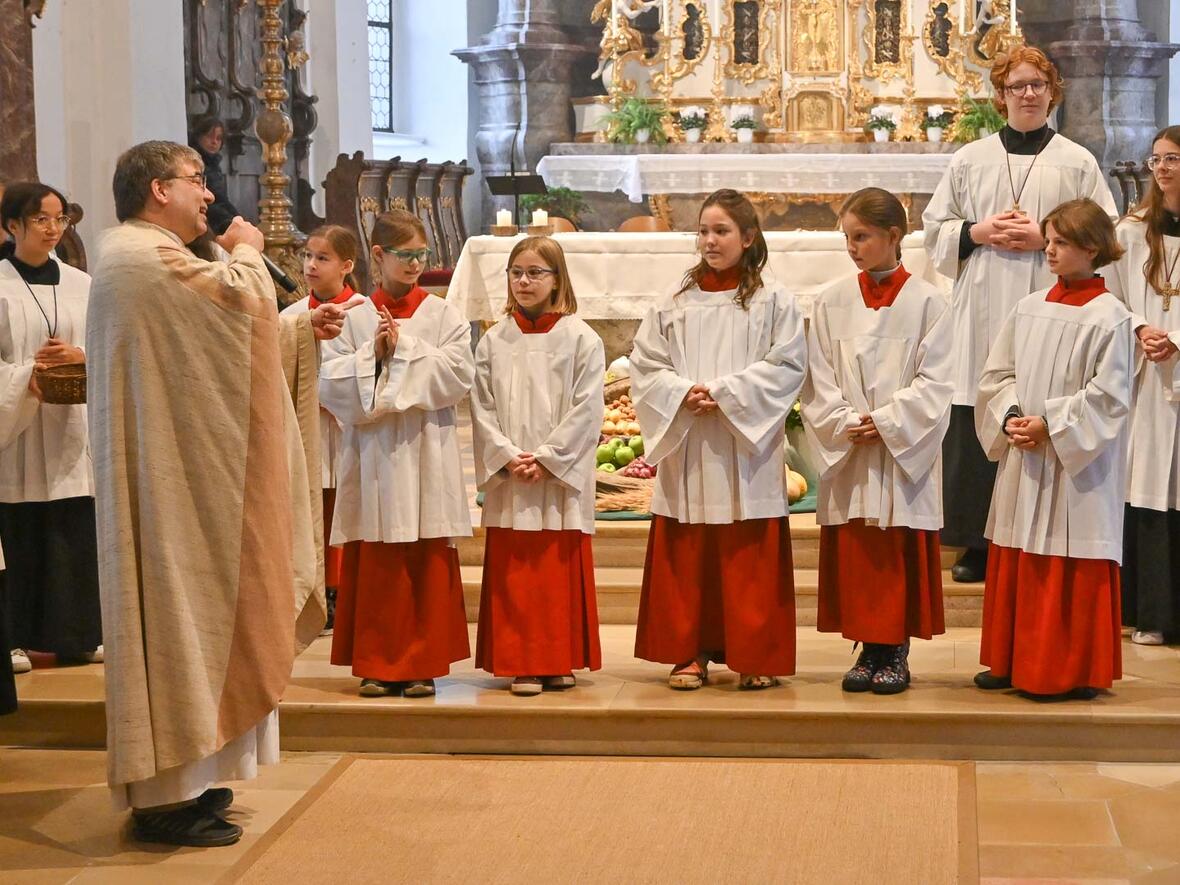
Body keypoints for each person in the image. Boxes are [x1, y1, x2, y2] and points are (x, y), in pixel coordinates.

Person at [88, 140, 347, 847]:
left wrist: (297, 327)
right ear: (156, 188)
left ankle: (192, 779)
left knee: (198, 619)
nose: (208, 195)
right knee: (179, 620)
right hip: (172, 496)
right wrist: (251, 250)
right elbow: (237, 304)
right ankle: (164, 794)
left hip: (186, 480)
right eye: (196, 180)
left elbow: (220, 338)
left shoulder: (150, 256)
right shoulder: (141, 256)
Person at [923, 46, 1118, 584]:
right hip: (983, 306)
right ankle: (977, 543)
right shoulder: (970, 159)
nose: (1028, 94)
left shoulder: (1077, 161)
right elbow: (935, 230)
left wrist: (1046, 237)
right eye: (1017, 86)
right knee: (981, 409)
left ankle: (1036, 540)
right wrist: (978, 231)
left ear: (1053, 93)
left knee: (1035, 406)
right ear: (1001, 95)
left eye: (1038, 85)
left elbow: (1105, 230)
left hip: (1051, 309)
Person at [630, 189, 806, 691]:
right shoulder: (674, 300)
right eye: (704, 231)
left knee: (747, 549)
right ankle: (690, 652)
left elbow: (788, 365)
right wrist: (682, 393)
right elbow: (646, 363)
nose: (709, 240)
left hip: (746, 446)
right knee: (690, 550)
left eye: (721, 231)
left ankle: (755, 654)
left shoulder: (775, 300)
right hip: (690, 437)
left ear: (748, 237)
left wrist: (726, 394)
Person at [974, 198, 1132, 700]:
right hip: (1026, 451)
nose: (1050, 250)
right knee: (1018, 546)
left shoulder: (1112, 318)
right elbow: (997, 374)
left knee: (1068, 555)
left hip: (1075, 467)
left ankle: (1069, 669)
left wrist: (1052, 424)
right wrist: (1010, 416)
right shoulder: (1029, 307)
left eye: (1062, 242)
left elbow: (1110, 397)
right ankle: (1009, 659)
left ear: (1092, 248)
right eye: (1050, 240)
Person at [801, 188, 954, 694]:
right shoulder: (831, 300)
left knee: (894, 549)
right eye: (847, 237)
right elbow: (818, 375)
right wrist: (844, 419)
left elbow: (938, 381)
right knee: (859, 550)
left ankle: (895, 649)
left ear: (894, 235)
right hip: (852, 443)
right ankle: (868, 648)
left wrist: (887, 421)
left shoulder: (930, 302)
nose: (852, 247)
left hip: (898, 449)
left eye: (862, 236)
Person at [320, 210, 473, 699]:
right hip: (374, 454)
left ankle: (423, 664)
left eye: (421, 255)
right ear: (378, 255)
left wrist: (402, 350)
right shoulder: (353, 317)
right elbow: (331, 384)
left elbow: (457, 377)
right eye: (405, 255)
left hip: (426, 449)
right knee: (377, 558)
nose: (415, 264)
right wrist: (374, 355)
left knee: (423, 554)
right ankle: (377, 663)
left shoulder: (444, 315)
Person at [471, 237, 604, 695]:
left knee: (555, 568)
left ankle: (556, 658)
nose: (524, 282)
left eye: (535, 273)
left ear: (557, 280)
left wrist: (548, 459)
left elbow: (588, 407)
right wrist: (508, 456)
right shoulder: (494, 339)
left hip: (557, 477)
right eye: (516, 273)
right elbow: (481, 406)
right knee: (516, 571)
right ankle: (522, 661)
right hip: (513, 475)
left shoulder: (581, 338)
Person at [0, 181, 102, 675]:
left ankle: (76, 637)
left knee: (71, 532)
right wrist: (26, 379)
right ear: (12, 225)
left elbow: (110, 344)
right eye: (40, 218)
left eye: (59, 218)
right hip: (16, 431)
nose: (52, 228)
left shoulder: (83, 284)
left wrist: (80, 355)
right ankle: (13, 639)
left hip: (70, 431)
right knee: (20, 534)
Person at [1106, 125, 1180, 647]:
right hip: (1146, 378)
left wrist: (1177, 338)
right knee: (1149, 490)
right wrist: (1138, 328)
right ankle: (1151, 613)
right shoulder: (1132, 231)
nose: (1162, 168)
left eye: (1172, 158)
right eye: (1156, 160)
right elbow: (1109, 295)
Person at [282, 225, 363, 635]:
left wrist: (333, 394)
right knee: (311, 509)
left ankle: (344, 591)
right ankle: (314, 590)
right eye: (308, 257)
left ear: (347, 266)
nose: (311, 265)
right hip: (307, 430)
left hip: (347, 432)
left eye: (322, 258)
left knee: (343, 510)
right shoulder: (291, 317)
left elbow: (373, 369)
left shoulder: (363, 312)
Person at [189, 117, 240, 234]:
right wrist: (231, 221)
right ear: (198, 137)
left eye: (219, 138)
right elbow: (210, 201)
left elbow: (222, 199)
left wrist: (237, 218)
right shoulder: (194, 163)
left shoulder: (214, 165)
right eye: (209, 136)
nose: (214, 142)